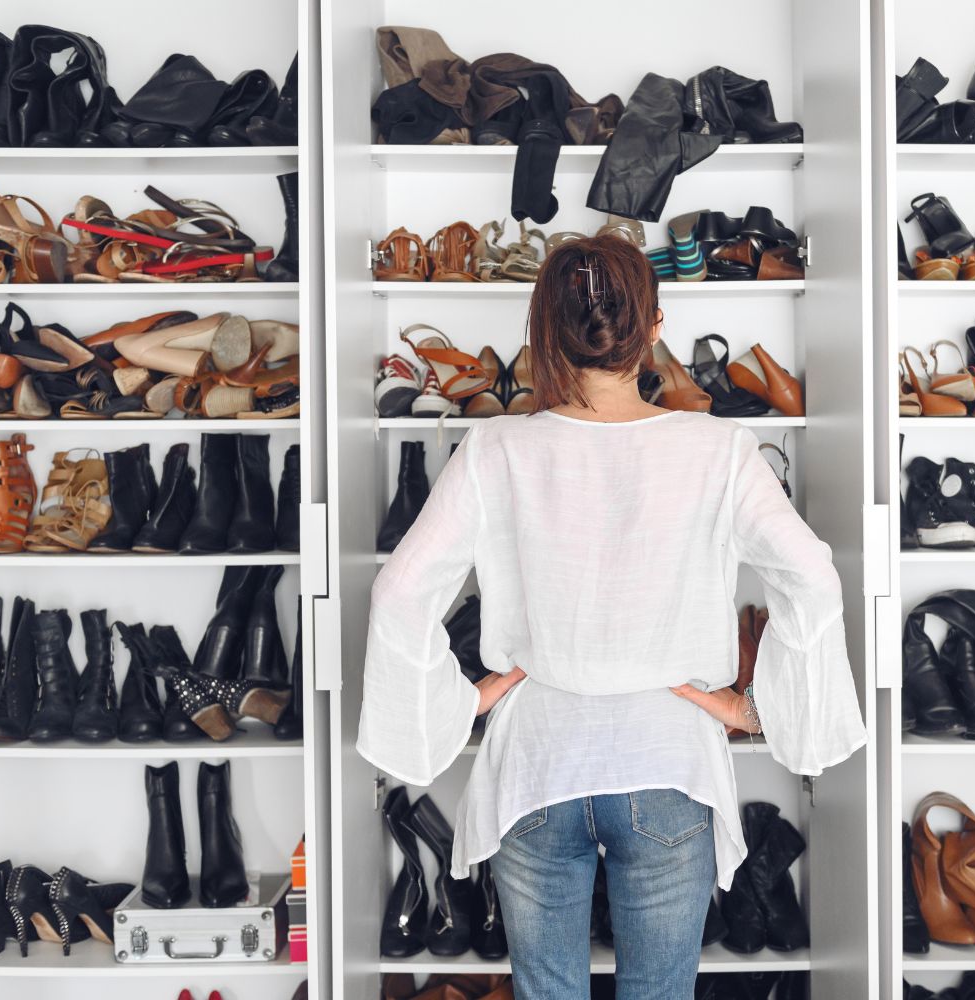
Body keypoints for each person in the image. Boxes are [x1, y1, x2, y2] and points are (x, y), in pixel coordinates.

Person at [358, 234, 866, 1000]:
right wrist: (755, 707)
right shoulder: (720, 448)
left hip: (536, 765)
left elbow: (399, 592)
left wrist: (468, 699)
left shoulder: (494, 447)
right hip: (669, 758)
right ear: (655, 325)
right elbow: (813, 580)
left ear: (547, 335)